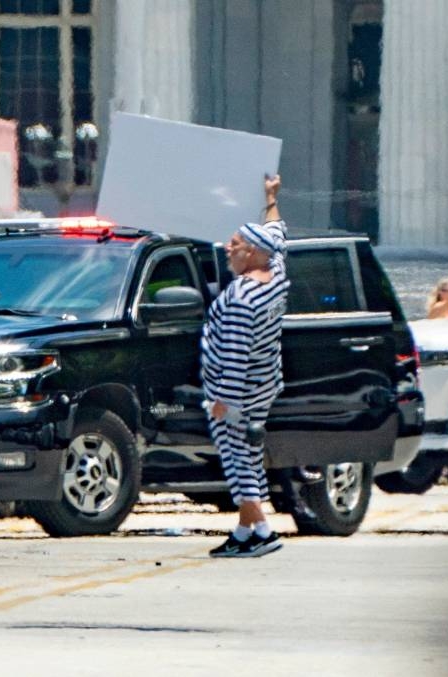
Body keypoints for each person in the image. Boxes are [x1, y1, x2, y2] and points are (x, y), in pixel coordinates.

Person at [201, 175, 289, 558]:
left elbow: (235, 356)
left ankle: (264, 531)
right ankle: (242, 533)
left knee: (237, 462)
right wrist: (271, 198)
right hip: (265, 384)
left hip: (238, 390)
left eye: (235, 244)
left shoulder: (241, 296)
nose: (227, 247)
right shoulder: (278, 274)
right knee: (249, 455)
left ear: (252, 253)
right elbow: (277, 233)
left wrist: (223, 401)